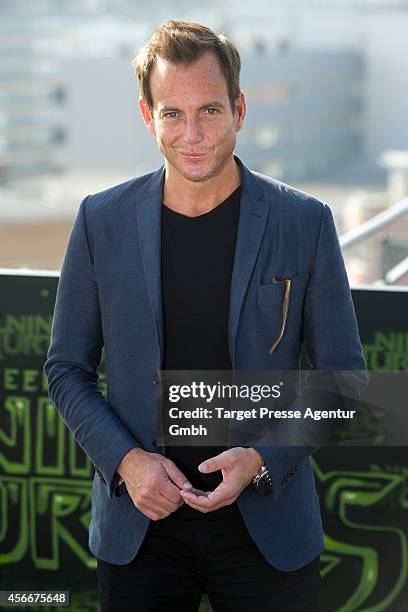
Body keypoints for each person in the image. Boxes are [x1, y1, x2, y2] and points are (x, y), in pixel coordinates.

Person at [44, 19, 367, 612]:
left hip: (267, 532)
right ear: (148, 116)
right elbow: (66, 368)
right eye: (172, 113)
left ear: (240, 109)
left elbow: (343, 379)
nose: (192, 134)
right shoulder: (100, 221)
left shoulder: (306, 222)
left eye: (210, 111)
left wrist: (263, 461)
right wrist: (129, 464)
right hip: (140, 529)